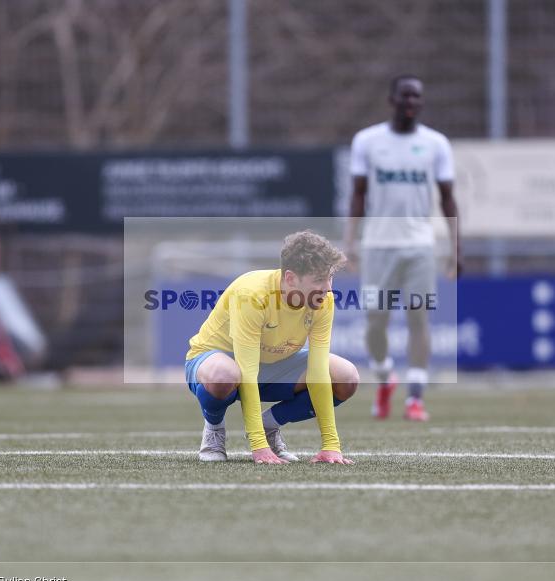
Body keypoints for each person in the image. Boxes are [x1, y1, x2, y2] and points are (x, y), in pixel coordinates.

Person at [344, 74, 462, 422]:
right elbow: (358, 193)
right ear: (392, 100)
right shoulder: (367, 141)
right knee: (376, 323)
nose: (411, 102)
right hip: (378, 246)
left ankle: (415, 398)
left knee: (418, 317)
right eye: (405, 96)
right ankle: (385, 378)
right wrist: (349, 242)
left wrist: (456, 248)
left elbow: (448, 198)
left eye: (417, 97)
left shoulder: (436, 144)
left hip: (419, 247)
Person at [185, 230, 359, 464]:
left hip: (274, 364)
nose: (328, 288)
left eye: (330, 277)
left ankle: (270, 424)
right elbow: (246, 371)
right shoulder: (251, 294)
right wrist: (259, 447)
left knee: (346, 378)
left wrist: (331, 445)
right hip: (218, 361)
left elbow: (318, 372)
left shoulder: (323, 300)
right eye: (318, 279)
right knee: (224, 375)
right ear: (290, 278)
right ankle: (214, 427)